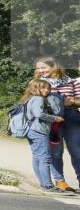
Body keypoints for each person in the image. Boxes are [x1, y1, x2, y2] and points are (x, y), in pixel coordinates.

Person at [34, 57, 80, 192]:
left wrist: (71, 102)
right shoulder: (38, 83)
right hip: (52, 119)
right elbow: (36, 101)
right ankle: (60, 181)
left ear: (54, 66)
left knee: (76, 150)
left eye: (43, 67)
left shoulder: (71, 81)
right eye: (38, 68)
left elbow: (78, 99)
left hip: (72, 117)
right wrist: (59, 100)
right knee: (56, 152)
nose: (40, 71)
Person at [19, 79, 69, 195]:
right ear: (35, 88)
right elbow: (38, 114)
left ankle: (43, 184)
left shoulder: (29, 99)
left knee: (37, 157)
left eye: (48, 88)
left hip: (31, 131)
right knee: (45, 158)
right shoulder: (38, 99)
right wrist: (55, 118)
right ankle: (47, 185)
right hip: (39, 131)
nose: (46, 90)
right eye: (43, 88)